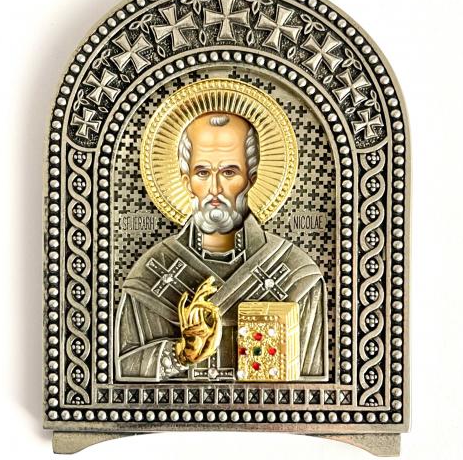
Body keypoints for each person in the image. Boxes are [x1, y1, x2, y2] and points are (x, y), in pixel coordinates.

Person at [114, 112, 327, 381]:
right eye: (202, 172)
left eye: (229, 172)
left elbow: (313, 382)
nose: (215, 188)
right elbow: (115, 371)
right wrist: (178, 355)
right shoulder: (151, 273)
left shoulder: (297, 275)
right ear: (186, 181)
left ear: (251, 177)